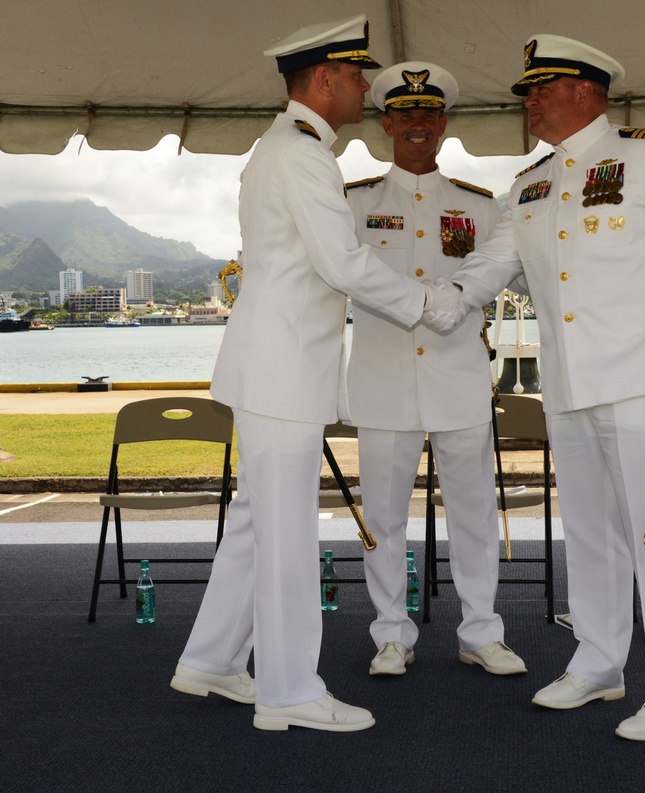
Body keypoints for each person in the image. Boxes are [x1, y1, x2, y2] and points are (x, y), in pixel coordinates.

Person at [167, 16, 465, 733]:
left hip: (274, 366)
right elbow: (344, 263)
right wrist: (429, 303)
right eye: (357, 75)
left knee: (253, 524)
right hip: (282, 371)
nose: (366, 86)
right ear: (324, 79)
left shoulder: (286, 148)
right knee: (287, 530)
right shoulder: (300, 156)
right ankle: (289, 690)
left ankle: (210, 659)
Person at [446, 34, 645, 741]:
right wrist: (437, 297)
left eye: (542, 88)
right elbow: (493, 263)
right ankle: (600, 661)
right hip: (570, 381)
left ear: (586, 90)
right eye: (529, 91)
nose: (530, 102)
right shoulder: (532, 183)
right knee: (594, 535)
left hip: (641, 378)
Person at [343, 61, 526, 677]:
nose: (417, 124)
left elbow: (508, 272)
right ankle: (391, 634)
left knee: (473, 513)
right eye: (405, 115)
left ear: (444, 124)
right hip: (382, 380)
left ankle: (481, 633)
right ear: (386, 124)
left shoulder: (480, 207)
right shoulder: (353, 203)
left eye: (429, 114)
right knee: (385, 518)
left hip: (459, 378)